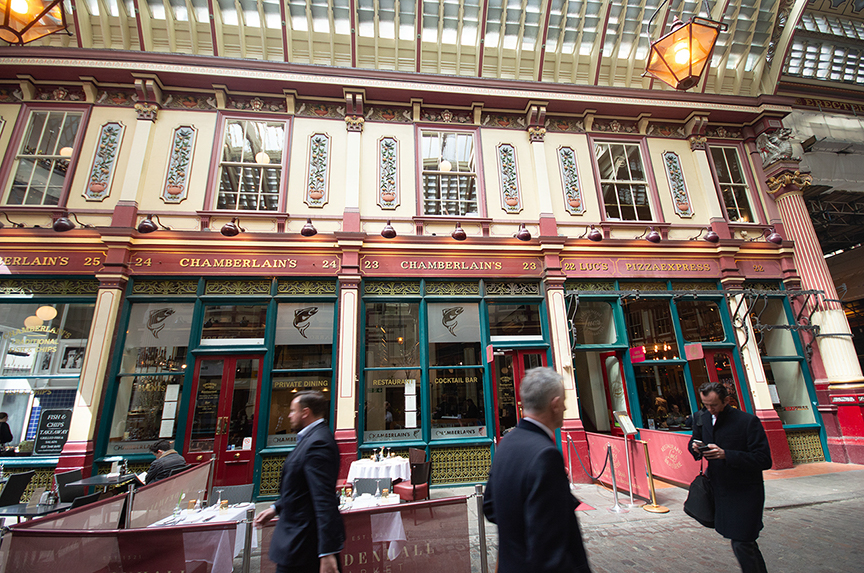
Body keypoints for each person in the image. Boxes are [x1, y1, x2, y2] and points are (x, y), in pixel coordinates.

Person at [483, 367, 591, 573]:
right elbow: (549, 552)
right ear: (555, 405)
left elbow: (490, 507)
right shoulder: (545, 455)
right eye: (564, 401)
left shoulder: (506, 442)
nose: (567, 407)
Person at [254, 390, 345, 573]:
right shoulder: (311, 439)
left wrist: (327, 552)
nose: (289, 415)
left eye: (293, 410)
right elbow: (303, 487)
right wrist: (276, 508)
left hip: (304, 544)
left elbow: (323, 499)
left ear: (305, 412)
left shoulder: (319, 443)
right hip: (299, 544)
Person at [689, 382, 772, 573]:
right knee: (745, 542)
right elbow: (694, 440)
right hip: (720, 489)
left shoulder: (747, 421)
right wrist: (695, 448)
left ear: (726, 400)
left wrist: (727, 454)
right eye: (705, 404)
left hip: (745, 491)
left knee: (742, 541)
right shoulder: (701, 418)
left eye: (714, 405)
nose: (710, 409)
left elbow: (764, 459)